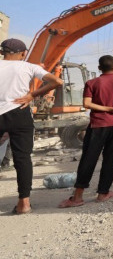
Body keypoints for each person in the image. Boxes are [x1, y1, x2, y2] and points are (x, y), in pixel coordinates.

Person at [58, 55, 113, 208]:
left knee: (88, 159)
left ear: (99, 68)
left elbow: (87, 104)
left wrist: (107, 108)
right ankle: (103, 193)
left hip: (97, 125)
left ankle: (77, 197)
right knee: (110, 159)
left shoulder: (92, 83)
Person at [0, 38, 63, 214]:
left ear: (1, 52)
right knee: (22, 159)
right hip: (20, 112)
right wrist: (31, 95)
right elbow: (57, 82)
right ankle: (24, 203)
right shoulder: (29, 66)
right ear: (23, 53)